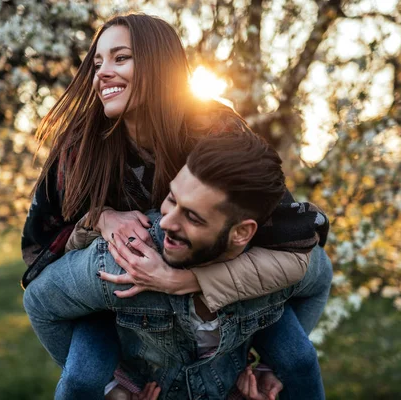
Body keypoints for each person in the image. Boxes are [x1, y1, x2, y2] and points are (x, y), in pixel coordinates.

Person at [21, 12, 331, 399]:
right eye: (97, 62)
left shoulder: (214, 129)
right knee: (82, 378)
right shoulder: (81, 145)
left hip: (221, 282)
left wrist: (190, 282)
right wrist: (99, 218)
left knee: (298, 359)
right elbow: (40, 251)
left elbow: (289, 238)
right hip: (117, 305)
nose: (102, 73)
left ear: (158, 64)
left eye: (121, 58)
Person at [24, 131, 332, 399]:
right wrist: (110, 389)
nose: (166, 221)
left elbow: (319, 281)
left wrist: (269, 367)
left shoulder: (277, 269)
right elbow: (39, 301)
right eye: (171, 199)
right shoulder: (126, 261)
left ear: (242, 233)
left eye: (193, 217)